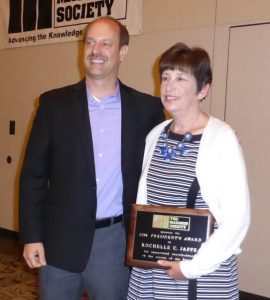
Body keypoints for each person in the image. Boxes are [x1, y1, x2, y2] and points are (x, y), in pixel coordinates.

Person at [19, 16, 164, 300]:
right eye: (90, 42)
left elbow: (160, 172)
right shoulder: (53, 105)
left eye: (106, 43)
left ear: (122, 52)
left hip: (115, 244)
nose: (95, 50)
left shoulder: (146, 110)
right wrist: (31, 236)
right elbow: (33, 176)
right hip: (58, 243)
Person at [127, 42, 250, 299]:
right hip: (153, 271)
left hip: (201, 272)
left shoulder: (221, 138)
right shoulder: (156, 135)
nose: (169, 86)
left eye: (181, 78)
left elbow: (237, 219)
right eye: (165, 77)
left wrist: (192, 268)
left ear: (203, 89)